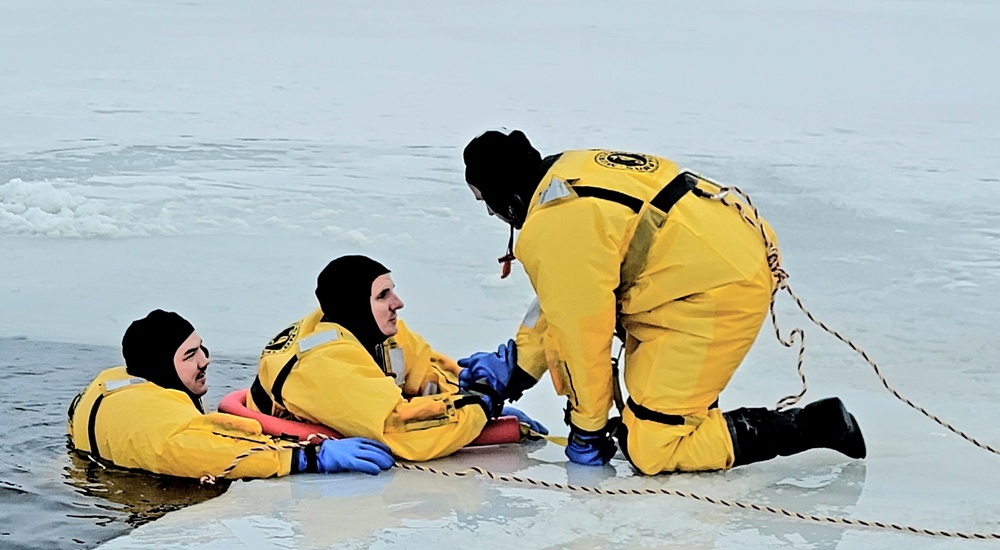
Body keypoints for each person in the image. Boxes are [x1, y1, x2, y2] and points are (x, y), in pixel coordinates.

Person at [459, 129, 866, 474]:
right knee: (648, 417)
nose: (492, 215)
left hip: (712, 292)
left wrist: (588, 428)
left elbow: (582, 336)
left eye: (486, 203)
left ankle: (815, 424)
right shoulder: (565, 173)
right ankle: (682, 409)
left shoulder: (552, 224)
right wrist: (515, 365)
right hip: (706, 261)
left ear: (507, 200)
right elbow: (566, 296)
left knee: (653, 448)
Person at [248, 255, 546, 462]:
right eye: (383, 295)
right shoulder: (324, 366)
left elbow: (429, 372)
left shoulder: (377, 331)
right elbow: (405, 435)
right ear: (355, 305)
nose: (398, 303)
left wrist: (470, 389)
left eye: (393, 291)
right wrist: (483, 397)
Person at [68, 309, 394, 480]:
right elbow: (215, 452)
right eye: (190, 355)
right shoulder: (168, 433)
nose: (205, 360)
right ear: (161, 366)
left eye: (202, 348)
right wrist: (311, 458)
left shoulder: (113, 386)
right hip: (143, 495)